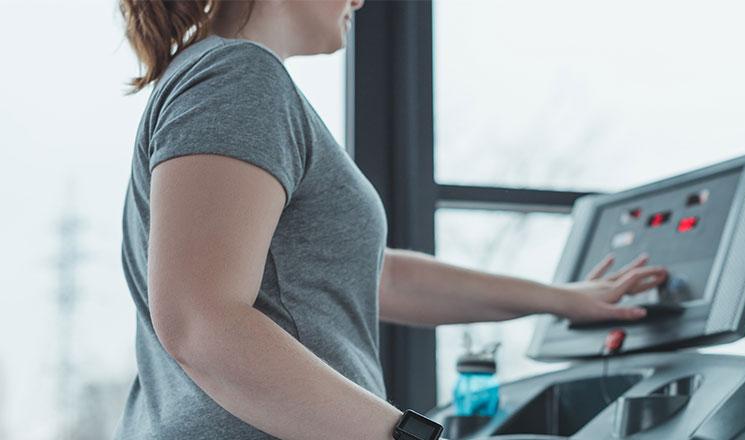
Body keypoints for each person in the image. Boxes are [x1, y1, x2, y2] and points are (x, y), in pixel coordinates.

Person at [114, 0, 667, 438]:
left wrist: (565, 299)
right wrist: (406, 436)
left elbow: (377, 276)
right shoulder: (241, 77)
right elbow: (199, 320)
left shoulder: (225, 77)